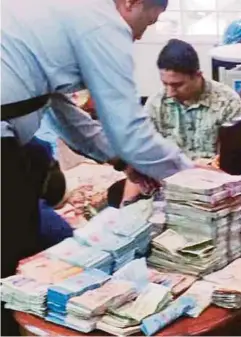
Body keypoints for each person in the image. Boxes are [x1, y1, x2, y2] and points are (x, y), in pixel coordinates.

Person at [1, 0, 194, 333]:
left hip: (11, 138)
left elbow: (63, 113)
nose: (138, 36)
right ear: (131, 2)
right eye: (149, 22)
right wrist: (193, 178)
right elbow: (130, 130)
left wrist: (121, 160)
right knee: (12, 259)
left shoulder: (65, 13)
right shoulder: (103, 23)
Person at [118, 39, 241, 205]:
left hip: (215, 194)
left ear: (197, 76)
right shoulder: (156, 103)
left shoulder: (227, 102)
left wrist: (196, 170)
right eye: (165, 84)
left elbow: (232, 167)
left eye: (177, 85)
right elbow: (142, 156)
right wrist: (126, 205)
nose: (170, 92)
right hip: (169, 194)